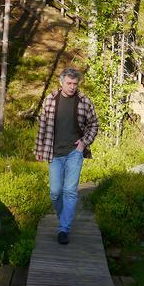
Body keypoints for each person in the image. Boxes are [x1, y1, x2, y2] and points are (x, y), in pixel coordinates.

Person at [35, 67, 100, 244]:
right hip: (54, 152)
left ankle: (64, 229)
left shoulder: (84, 101)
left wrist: (84, 142)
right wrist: (39, 149)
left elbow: (94, 124)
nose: (72, 87)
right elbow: (42, 126)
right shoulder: (50, 100)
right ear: (61, 82)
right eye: (69, 83)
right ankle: (64, 216)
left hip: (74, 153)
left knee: (70, 191)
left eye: (75, 83)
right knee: (55, 192)